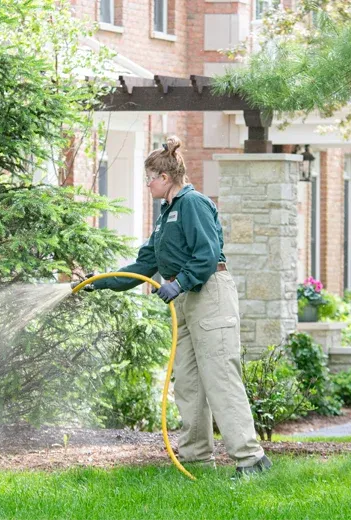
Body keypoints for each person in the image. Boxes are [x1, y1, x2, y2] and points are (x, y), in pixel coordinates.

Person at [79, 136, 271, 479]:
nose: (147, 184)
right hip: (185, 301)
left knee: (220, 378)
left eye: (149, 178)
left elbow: (207, 254)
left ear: (165, 177)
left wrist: (180, 282)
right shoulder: (165, 214)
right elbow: (143, 266)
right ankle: (197, 458)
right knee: (188, 382)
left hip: (209, 293)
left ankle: (250, 459)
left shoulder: (193, 204)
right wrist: (98, 281)